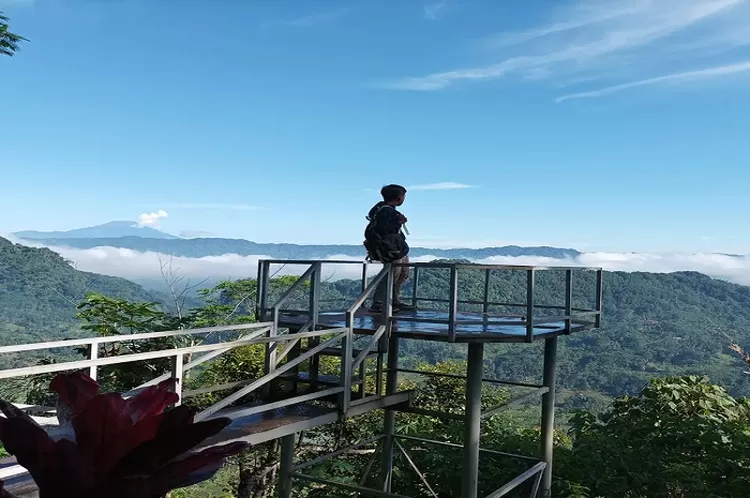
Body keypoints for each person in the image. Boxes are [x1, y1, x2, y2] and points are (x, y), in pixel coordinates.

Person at [363, 184, 415, 313]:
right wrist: (398, 222)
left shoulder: (382, 210)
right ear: (398, 198)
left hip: (397, 249)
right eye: (403, 196)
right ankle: (379, 303)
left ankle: (394, 300)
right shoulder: (386, 211)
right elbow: (385, 230)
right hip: (392, 249)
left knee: (402, 273)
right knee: (391, 274)